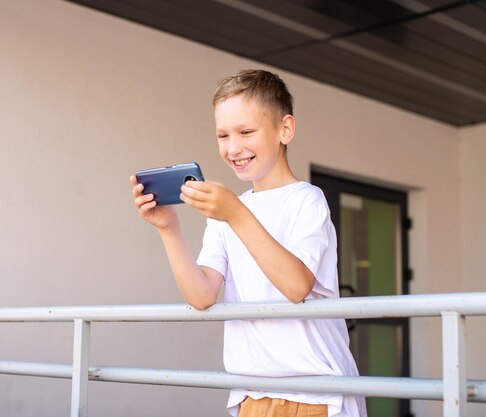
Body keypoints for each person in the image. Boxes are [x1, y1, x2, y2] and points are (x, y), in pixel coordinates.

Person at [130, 69, 366, 417]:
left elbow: (297, 285)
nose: (232, 147)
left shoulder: (306, 200)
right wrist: (168, 229)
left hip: (316, 393)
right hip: (251, 393)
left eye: (246, 132)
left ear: (285, 129)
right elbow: (202, 295)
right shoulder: (228, 209)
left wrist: (236, 214)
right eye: (222, 135)